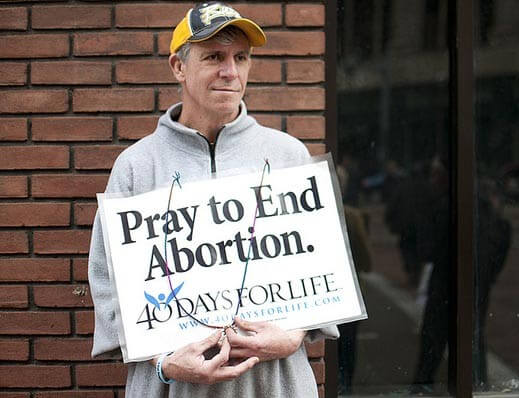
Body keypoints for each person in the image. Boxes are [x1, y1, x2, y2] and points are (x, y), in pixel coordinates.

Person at [87, 2, 337, 397]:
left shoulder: (289, 155)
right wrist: (162, 362)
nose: (230, 71)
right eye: (214, 57)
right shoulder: (136, 166)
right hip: (174, 388)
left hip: (275, 385)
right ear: (179, 67)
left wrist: (296, 334)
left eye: (241, 57)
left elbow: (323, 272)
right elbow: (108, 284)